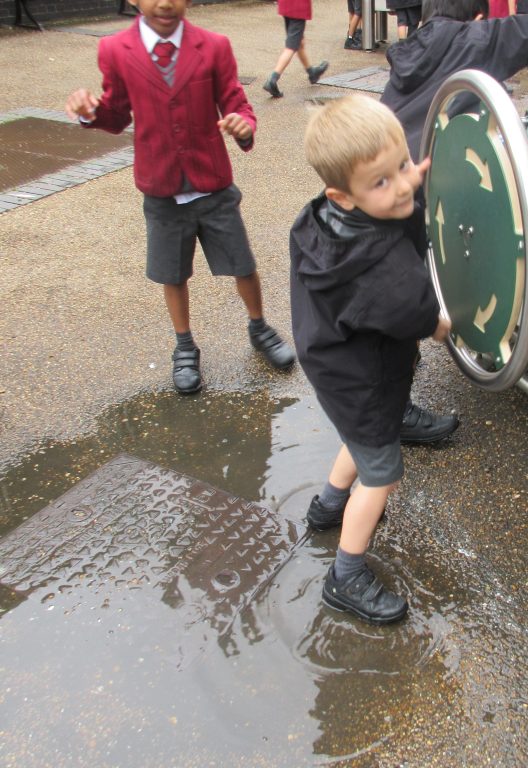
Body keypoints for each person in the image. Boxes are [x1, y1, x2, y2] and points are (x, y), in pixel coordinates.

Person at [65, 0, 295, 395]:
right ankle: (184, 345)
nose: (165, 2)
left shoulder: (214, 45)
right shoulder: (115, 50)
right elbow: (117, 113)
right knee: (172, 273)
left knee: (242, 263)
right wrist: (91, 112)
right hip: (161, 187)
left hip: (213, 183)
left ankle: (259, 326)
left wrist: (243, 126)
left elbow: (236, 102)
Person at [290, 94, 451, 624]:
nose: (403, 186)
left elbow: (397, 202)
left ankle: (328, 506)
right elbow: (416, 311)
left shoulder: (321, 219)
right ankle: (347, 575)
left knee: (360, 437)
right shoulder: (380, 269)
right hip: (364, 376)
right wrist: (438, 324)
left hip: (333, 362)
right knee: (381, 475)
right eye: (382, 182)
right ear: (343, 194)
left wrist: (402, 183)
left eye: (403, 166)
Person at [381, 0, 528, 161]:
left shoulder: (407, 52)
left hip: (384, 172)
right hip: (430, 182)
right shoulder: (475, 40)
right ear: (478, 19)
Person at [263, 0, 329, 97]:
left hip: (286, 4)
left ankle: (312, 73)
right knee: (291, 47)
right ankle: (272, 79)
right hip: (298, 7)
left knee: (299, 41)